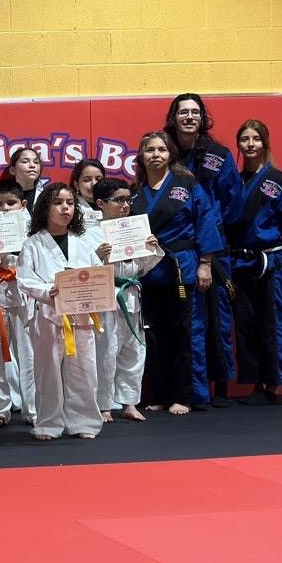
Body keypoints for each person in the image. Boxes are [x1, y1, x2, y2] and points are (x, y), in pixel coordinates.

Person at [131, 130, 225, 416]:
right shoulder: (135, 191)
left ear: (170, 154)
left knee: (185, 333)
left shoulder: (186, 183)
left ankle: (185, 394)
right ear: (141, 156)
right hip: (149, 270)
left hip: (181, 266)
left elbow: (206, 221)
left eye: (161, 149)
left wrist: (205, 263)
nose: (156, 154)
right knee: (155, 336)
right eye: (150, 150)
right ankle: (159, 393)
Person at [166, 92, 243, 406]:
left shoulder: (218, 155)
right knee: (182, 322)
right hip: (176, 249)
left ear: (202, 118)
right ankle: (185, 389)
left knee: (219, 320)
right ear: (174, 117)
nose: (188, 117)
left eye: (194, 112)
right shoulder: (164, 151)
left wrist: (210, 226)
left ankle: (219, 386)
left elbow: (234, 202)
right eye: (182, 112)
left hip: (214, 248)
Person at [17, 184, 107, 441]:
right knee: (47, 372)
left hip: (80, 315)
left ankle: (85, 421)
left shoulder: (83, 241)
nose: (65, 208)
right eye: (58, 203)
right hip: (47, 315)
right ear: (45, 208)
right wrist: (48, 290)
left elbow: (96, 273)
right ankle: (48, 423)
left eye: (69, 203)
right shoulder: (33, 244)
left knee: (84, 370)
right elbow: (24, 279)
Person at [229, 119, 282, 405]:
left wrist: (279, 260)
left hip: (272, 261)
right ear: (238, 145)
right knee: (246, 323)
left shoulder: (280, 182)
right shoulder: (233, 183)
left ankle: (273, 384)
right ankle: (255, 384)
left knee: (272, 322)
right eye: (245, 139)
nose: (250, 144)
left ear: (265, 144)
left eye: (256, 139)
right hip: (241, 262)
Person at [93, 177, 163, 422]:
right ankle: (103, 405)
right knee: (105, 352)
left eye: (127, 200)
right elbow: (83, 269)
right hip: (107, 297)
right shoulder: (90, 234)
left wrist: (149, 248)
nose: (124, 205)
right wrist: (97, 256)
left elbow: (142, 268)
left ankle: (130, 403)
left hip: (132, 294)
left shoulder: (134, 229)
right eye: (118, 200)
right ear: (100, 203)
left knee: (133, 350)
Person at [0, 177, 28, 427]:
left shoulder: (35, 233)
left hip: (23, 296)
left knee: (29, 354)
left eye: (11, 203)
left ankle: (33, 408)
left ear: (23, 205)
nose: (5, 208)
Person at [6, 146, 48, 210]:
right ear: (12, 170)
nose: (32, 165)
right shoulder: (2, 197)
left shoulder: (47, 197)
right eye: (25, 161)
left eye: (36, 162)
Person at [70, 158, 106, 226]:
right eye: (87, 180)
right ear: (77, 185)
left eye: (98, 179)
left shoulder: (112, 204)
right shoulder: (70, 208)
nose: (94, 183)